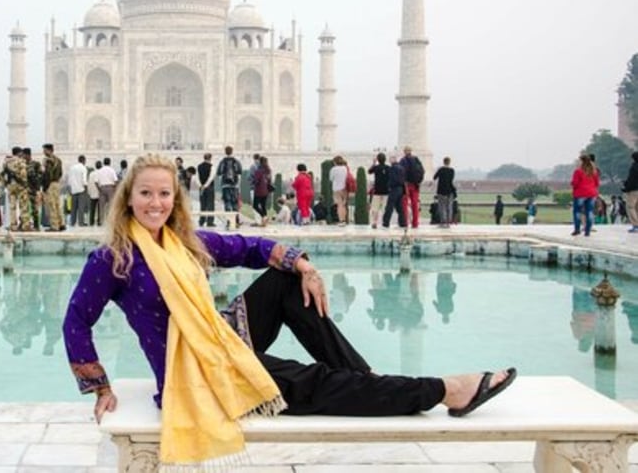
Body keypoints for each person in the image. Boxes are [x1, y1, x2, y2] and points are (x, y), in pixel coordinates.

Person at [62, 154, 516, 470]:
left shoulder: (184, 241)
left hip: (221, 340)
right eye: (145, 194)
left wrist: (303, 264)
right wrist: (98, 385)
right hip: (194, 372)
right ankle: (446, 391)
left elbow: (249, 247)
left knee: (285, 280)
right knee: (316, 385)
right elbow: (76, 320)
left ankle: (367, 380)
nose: (155, 203)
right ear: (128, 198)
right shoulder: (114, 258)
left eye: (164, 194)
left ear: (175, 200)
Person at [570, 154, 599, 237]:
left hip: (580, 193)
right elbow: (597, 183)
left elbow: (575, 183)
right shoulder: (594, 171)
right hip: (592, 193)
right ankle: (587, 231)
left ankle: (577, 229)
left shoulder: (578, 171)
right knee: (589, 211)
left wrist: (572, 184)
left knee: (577, 212)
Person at [399, 146, 425, 228]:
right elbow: (422, 171)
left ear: (404, 152)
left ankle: (405, 222)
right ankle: (415, 223)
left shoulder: (403, 161)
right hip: (415, 185)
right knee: (415, 205)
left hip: (406, 185)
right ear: (411, 151)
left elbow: (400, 173)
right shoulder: (416, 160)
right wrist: (418, 181)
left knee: (405, 205)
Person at [217, 146, 243, 226]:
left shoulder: (222, 161)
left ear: (225, 152)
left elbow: (219, 173)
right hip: (234, 185)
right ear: (232, 151)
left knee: (227, 203)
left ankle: (229, 221)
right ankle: (236, 220)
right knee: (235, 203)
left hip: (225, 185)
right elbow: (240, 172)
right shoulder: (236, 161)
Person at [42, 144, 65, 231]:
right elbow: (60, 173)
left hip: (50, 184)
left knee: (51, 205)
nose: (43, 152)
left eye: (44, 150)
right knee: (57, 204)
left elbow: (48, 174)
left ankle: (54, 226)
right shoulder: (58, 160)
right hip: (56, 184)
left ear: (49, 150)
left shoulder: (48, 161)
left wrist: (45, 186)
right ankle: (61, 223)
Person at [383, 155, 407, 228]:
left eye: (390, 160)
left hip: (394, 189)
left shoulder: (392, 168)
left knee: (389, 206)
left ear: (392, 160)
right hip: (400, 189)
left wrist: (389, 186)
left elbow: (392, 179)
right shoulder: (402, 168)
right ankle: (403, 223)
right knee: (400, 207)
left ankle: (386, 222)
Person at [368, 153, 390, 230]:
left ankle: (374, 222)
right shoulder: (388, 168)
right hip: (386, 191)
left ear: (378, 159)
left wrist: (374, 163)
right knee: (385, 208)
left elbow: (369, 171)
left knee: (375, 208)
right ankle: (385, 222)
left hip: (377, 190)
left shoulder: (376, 167)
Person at [95, 157, 119, 225]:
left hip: (102, 188)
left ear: (103, 162)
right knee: (111, 206)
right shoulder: (112, 170)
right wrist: (115, 189)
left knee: (101, 206)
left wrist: (99, 189)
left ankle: (101, 221)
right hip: (110, 188)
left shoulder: (100, 170)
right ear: (109, 162)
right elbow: (116, 180)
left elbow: (96, 181)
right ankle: (111, 221)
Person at [433, 157, 455, 228]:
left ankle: (443, 222)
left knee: (442, 207)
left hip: (441, 191)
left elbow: (434, 177)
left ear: (443, 162)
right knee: (449, 207)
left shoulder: (441, 170)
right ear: (449, 162)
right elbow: (451, 180)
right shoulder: (452, 170)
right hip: (449, 190)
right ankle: (448, 222)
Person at [68, 155, 89, 227]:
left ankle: (72, 222)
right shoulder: (83, 168)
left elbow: (69, 180)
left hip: (73, 190)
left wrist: (70, 189)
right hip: (81, 190)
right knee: (81, 207)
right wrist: (86, 189)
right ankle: (81, 222)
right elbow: (84, 180)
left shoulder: (72, 168)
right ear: (84, 161)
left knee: (73, 208)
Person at [328, 155, 350, 225]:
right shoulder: (345, 168)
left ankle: (341, 221)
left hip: (337, 189)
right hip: (345, 188)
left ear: (335, 162)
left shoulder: (334, 169)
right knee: (344, 205)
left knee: (339, 205)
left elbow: (331, 179)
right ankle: (344, 220)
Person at [252, 156, 272, 226]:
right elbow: (269, 180)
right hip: (266, 191)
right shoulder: (268, 170)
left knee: (255, 205)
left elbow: (256, 181)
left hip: (259, 191)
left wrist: (253, 182)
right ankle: (264, 222)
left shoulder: (258, 171)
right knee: (263, 206)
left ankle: (264, 216)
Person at [197, 153, 216, 227]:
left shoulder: (199, 166)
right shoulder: (212, 167)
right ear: (210, 158)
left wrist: (201, 186)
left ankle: (201, 221)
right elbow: (211, 177)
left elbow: (197, 177)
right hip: (209, 188)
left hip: (201, 188)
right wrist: (206, 185)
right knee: (210, 204)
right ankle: (210, 222)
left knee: (203, 204)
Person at [623, 151, 638, 233]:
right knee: (637, 208)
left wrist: (626, 187)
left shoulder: (634, 167)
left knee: (630, 207)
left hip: (633, 190)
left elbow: (631, 180)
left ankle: (636, 225)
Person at [87, 160, 102, 226]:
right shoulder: (101, 173)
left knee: (92, 209)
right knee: (100, 209)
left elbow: (89, 183)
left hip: (92, 193)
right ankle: (99, 221)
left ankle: (91, 222)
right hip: (100, 193)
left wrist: (89, 192)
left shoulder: (91, 174)